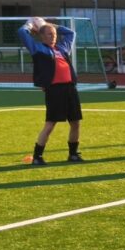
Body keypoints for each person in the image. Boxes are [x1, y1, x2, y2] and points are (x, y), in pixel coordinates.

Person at [17, 17, 84, 164]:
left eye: (54, 34)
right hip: (55, 90)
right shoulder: (37, 48)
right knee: (50, 124)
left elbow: (70, 33)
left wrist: (50, 25)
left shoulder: (62, 48)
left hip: (70, 89)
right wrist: (31, 24)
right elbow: (22, 32)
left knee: (75, 123)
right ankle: (37, 157)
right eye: (49, 34)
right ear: (41, 36)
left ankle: (73, 154)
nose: (53, 36)